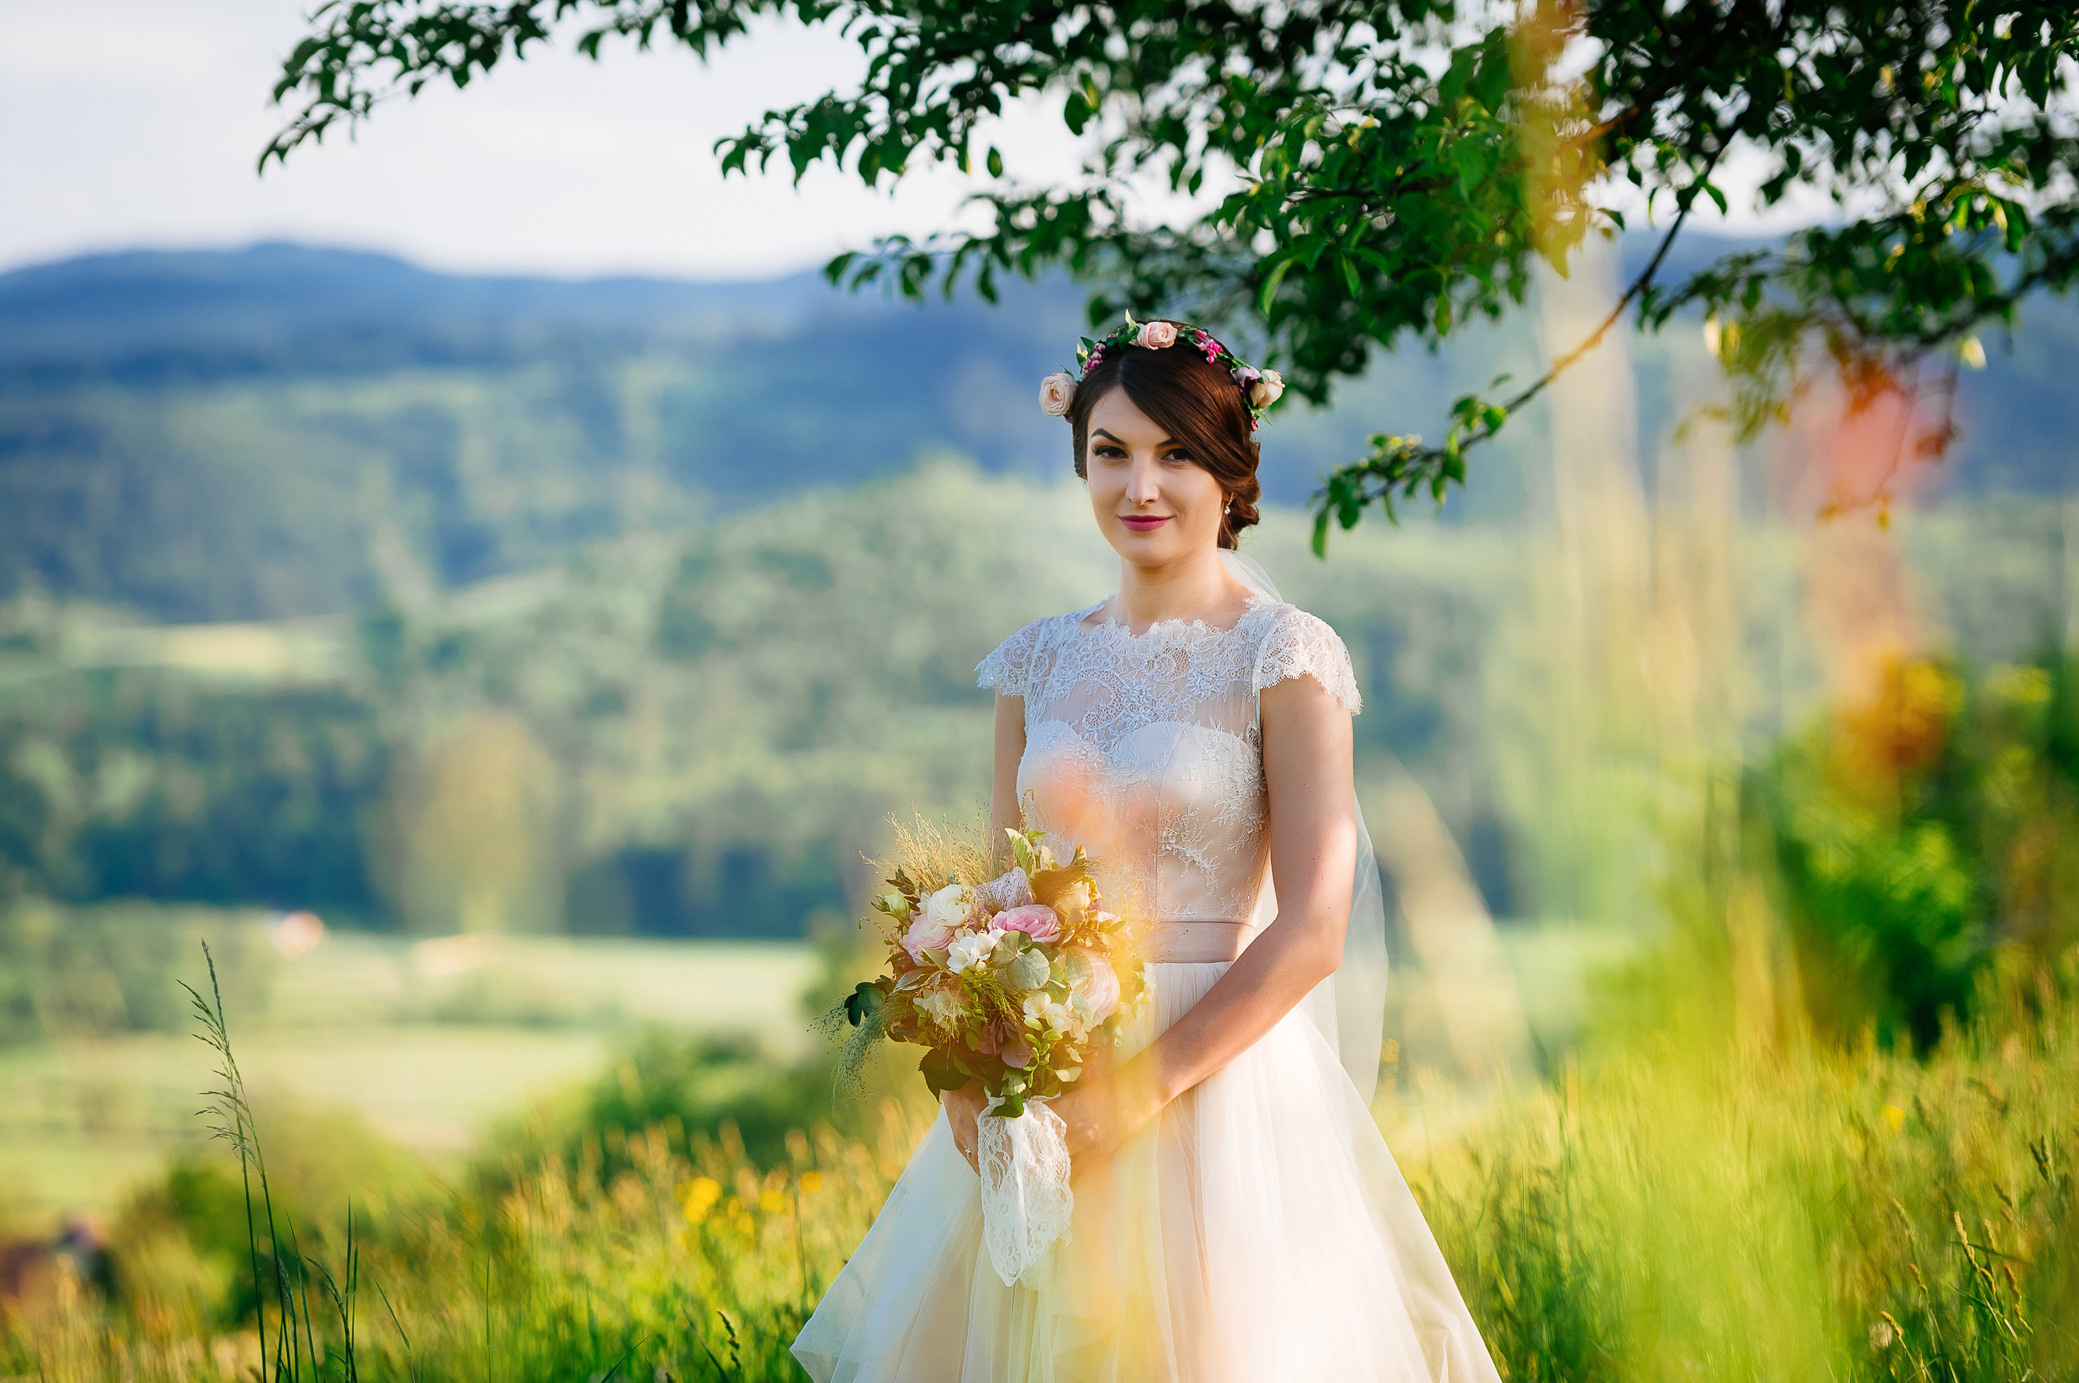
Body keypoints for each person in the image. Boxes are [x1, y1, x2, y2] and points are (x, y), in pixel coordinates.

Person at [793, 319, 1502, 1382]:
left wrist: (1124, 1105)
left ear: (1229, 467)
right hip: (1048, 1075)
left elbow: (1312, 932)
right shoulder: (1034, 662)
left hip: (1219, 1094)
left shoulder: (1286, 655)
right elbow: (1001, 903)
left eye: (1175, 452)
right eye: (1112, 452)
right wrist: (972, 1082)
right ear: (1079, 460)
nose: (1142, 485)